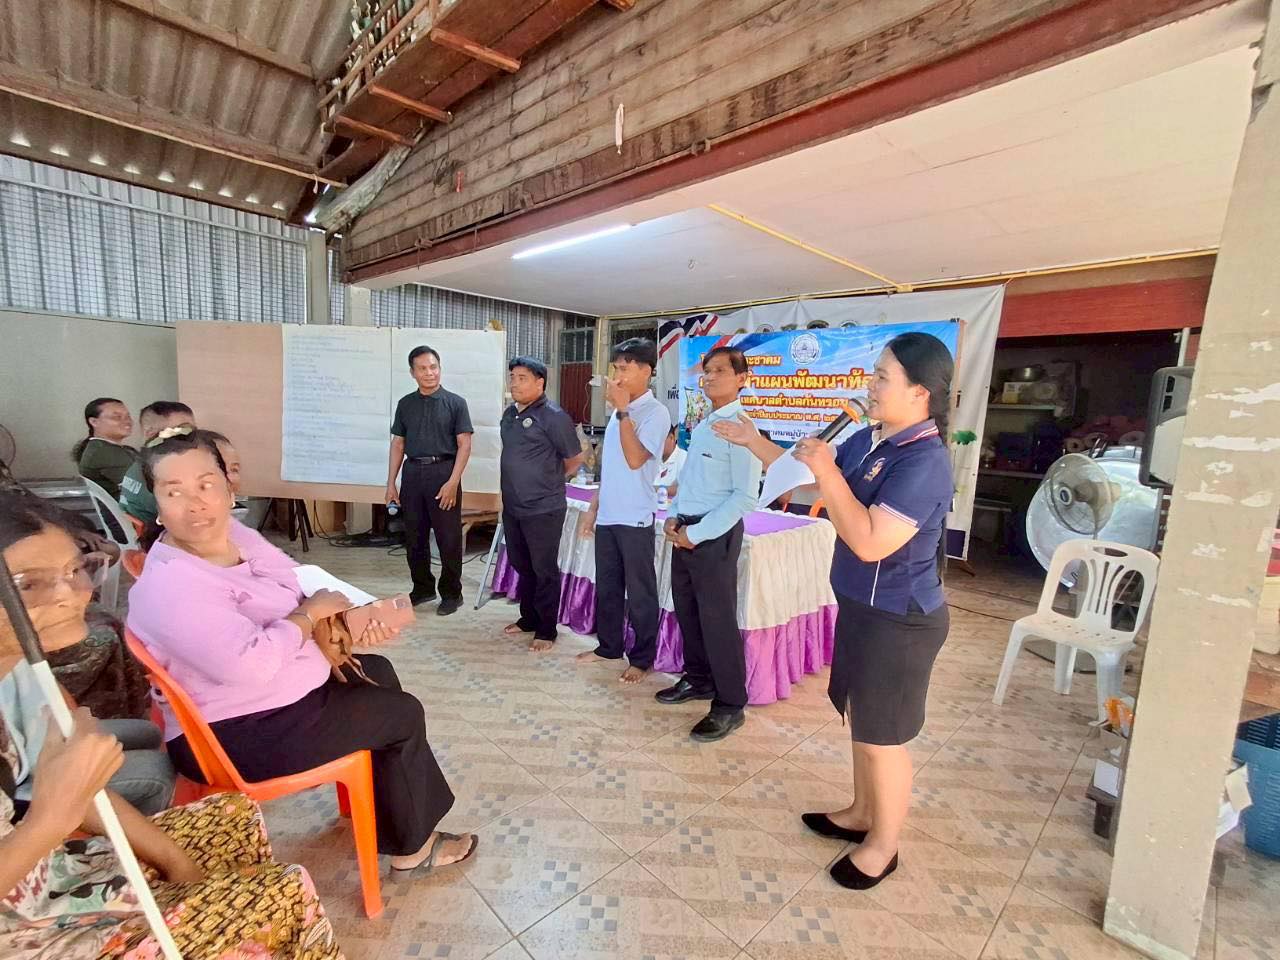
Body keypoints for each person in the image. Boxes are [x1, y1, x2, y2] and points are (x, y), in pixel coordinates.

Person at [128, 429, 477, 875]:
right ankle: (414, 848)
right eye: (173, 491)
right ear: (156, 505)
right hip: (235, 733)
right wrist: (310, 618)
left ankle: (386, 813)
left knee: (376, 671)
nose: (194, 504)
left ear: (228, 487)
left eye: (205, 484)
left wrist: (347, 622)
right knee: (401, 715)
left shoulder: (232, 535)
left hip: (271, 699)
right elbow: (252, 666)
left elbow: (294, 577)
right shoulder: (172, 587)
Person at [714, 331, 954, 890]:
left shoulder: (924, 461)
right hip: (861, 606)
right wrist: (756, 442)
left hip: (900, 618)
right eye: (873, 373)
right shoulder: (874, 439)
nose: (870, 385)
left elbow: (870, 541)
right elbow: (800, 471)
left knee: (884, 736)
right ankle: (862, 812)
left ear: (920, 393)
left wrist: (826, 470)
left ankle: (884, 846)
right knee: (862, 720)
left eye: (882, 377)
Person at [0, 709, 343, 958]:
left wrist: (174, 861)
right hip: (36, 936)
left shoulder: (18, 679)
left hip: (53, 874)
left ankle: (234, 939)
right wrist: (48, 821)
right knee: (284, 889)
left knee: (230, 815)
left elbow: (81, 792)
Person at [0, 492, 173, 815]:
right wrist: (58, 807)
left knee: (148, 732)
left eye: (75, 569)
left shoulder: (19, 658)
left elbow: (56, 701)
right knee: (156, 772)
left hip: (34, 755)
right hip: (26, 809)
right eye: (28, 585)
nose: (70, 594)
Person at [656, 347, 761, 741]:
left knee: (717, 621)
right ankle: (698, 678)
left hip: (713, 536)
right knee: (689, 612)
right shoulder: (703, 424)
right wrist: (674, 515)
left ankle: (730, 704)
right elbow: (689, 482)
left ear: (741, 378)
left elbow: (744, 497)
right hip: (685, 530)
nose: (710, 377)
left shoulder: (743, 429)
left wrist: (695, 534)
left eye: (720, 371)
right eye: (707, 371)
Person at [574, 339, 671, 684]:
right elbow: (611, 468)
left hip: (635, 517)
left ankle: (641, 658)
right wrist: (593, 508)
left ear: (646, 371)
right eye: (615, 368)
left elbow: (634, 459)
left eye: (625, 368)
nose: (617, 376)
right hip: (609, 515)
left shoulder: (655, 413)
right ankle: (609, 647)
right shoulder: (619, 411)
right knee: (608, 587)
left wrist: (625, 410)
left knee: (640, 592)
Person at [499, 357, 584, 652]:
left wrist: (548, 480)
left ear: (540, 382)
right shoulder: (510, 414)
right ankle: (529, 619)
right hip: (513, 506)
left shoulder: (553, 416)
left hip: (543, 508)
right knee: (522, 564)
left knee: (544, 568)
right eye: (512, 377)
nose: (515, 383)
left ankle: (546, 630)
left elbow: (575, 459)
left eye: (522, 378)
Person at [386, 346, 473, 617]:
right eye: (422, 368)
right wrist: (391, 483)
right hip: (413, 474)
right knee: (414, 536)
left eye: (433, 367)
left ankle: (452, 593)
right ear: (412, 373)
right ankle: (422, 588)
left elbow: (465, 444)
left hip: (444, 473)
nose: (429, 373)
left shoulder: (456, 403)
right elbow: (398, 444)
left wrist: (453, 482)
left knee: (448, 538)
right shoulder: (405, 404)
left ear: (440, 368)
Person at [118, 401, 195, 525]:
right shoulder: (159, 471)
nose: (191, 439)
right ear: (151, 434)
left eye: (192, 431)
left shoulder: (139, 464)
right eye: (181, 432)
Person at [73, 398, 136, 499]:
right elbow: (141, 489)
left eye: (128, 416)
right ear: (94, 422)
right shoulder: (103, 452)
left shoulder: (113, 449)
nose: (127, 421)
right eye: (117, 417)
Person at [654, 425, 686, 491]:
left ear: (671, 438)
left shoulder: (684, 459)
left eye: (658, 440)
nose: (655, 444)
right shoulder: (652, 459)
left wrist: (653, 489)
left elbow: (683, 489)